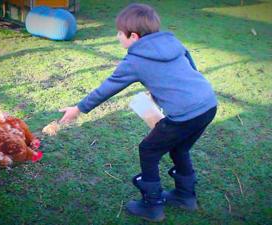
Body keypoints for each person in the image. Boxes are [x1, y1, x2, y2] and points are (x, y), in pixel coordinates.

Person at [59, 3, 218, 222]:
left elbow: (108, 87)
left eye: (119, 33)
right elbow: (190, 69)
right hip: (208, 104)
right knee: (180, 148)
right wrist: (160, 90)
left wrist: (78, 109)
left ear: (133, 36)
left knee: (148, 150)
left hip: (184, 115)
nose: (117, 37)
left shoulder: (135, 60)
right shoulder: (173, 41)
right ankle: (185, 196)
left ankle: (152, 206)